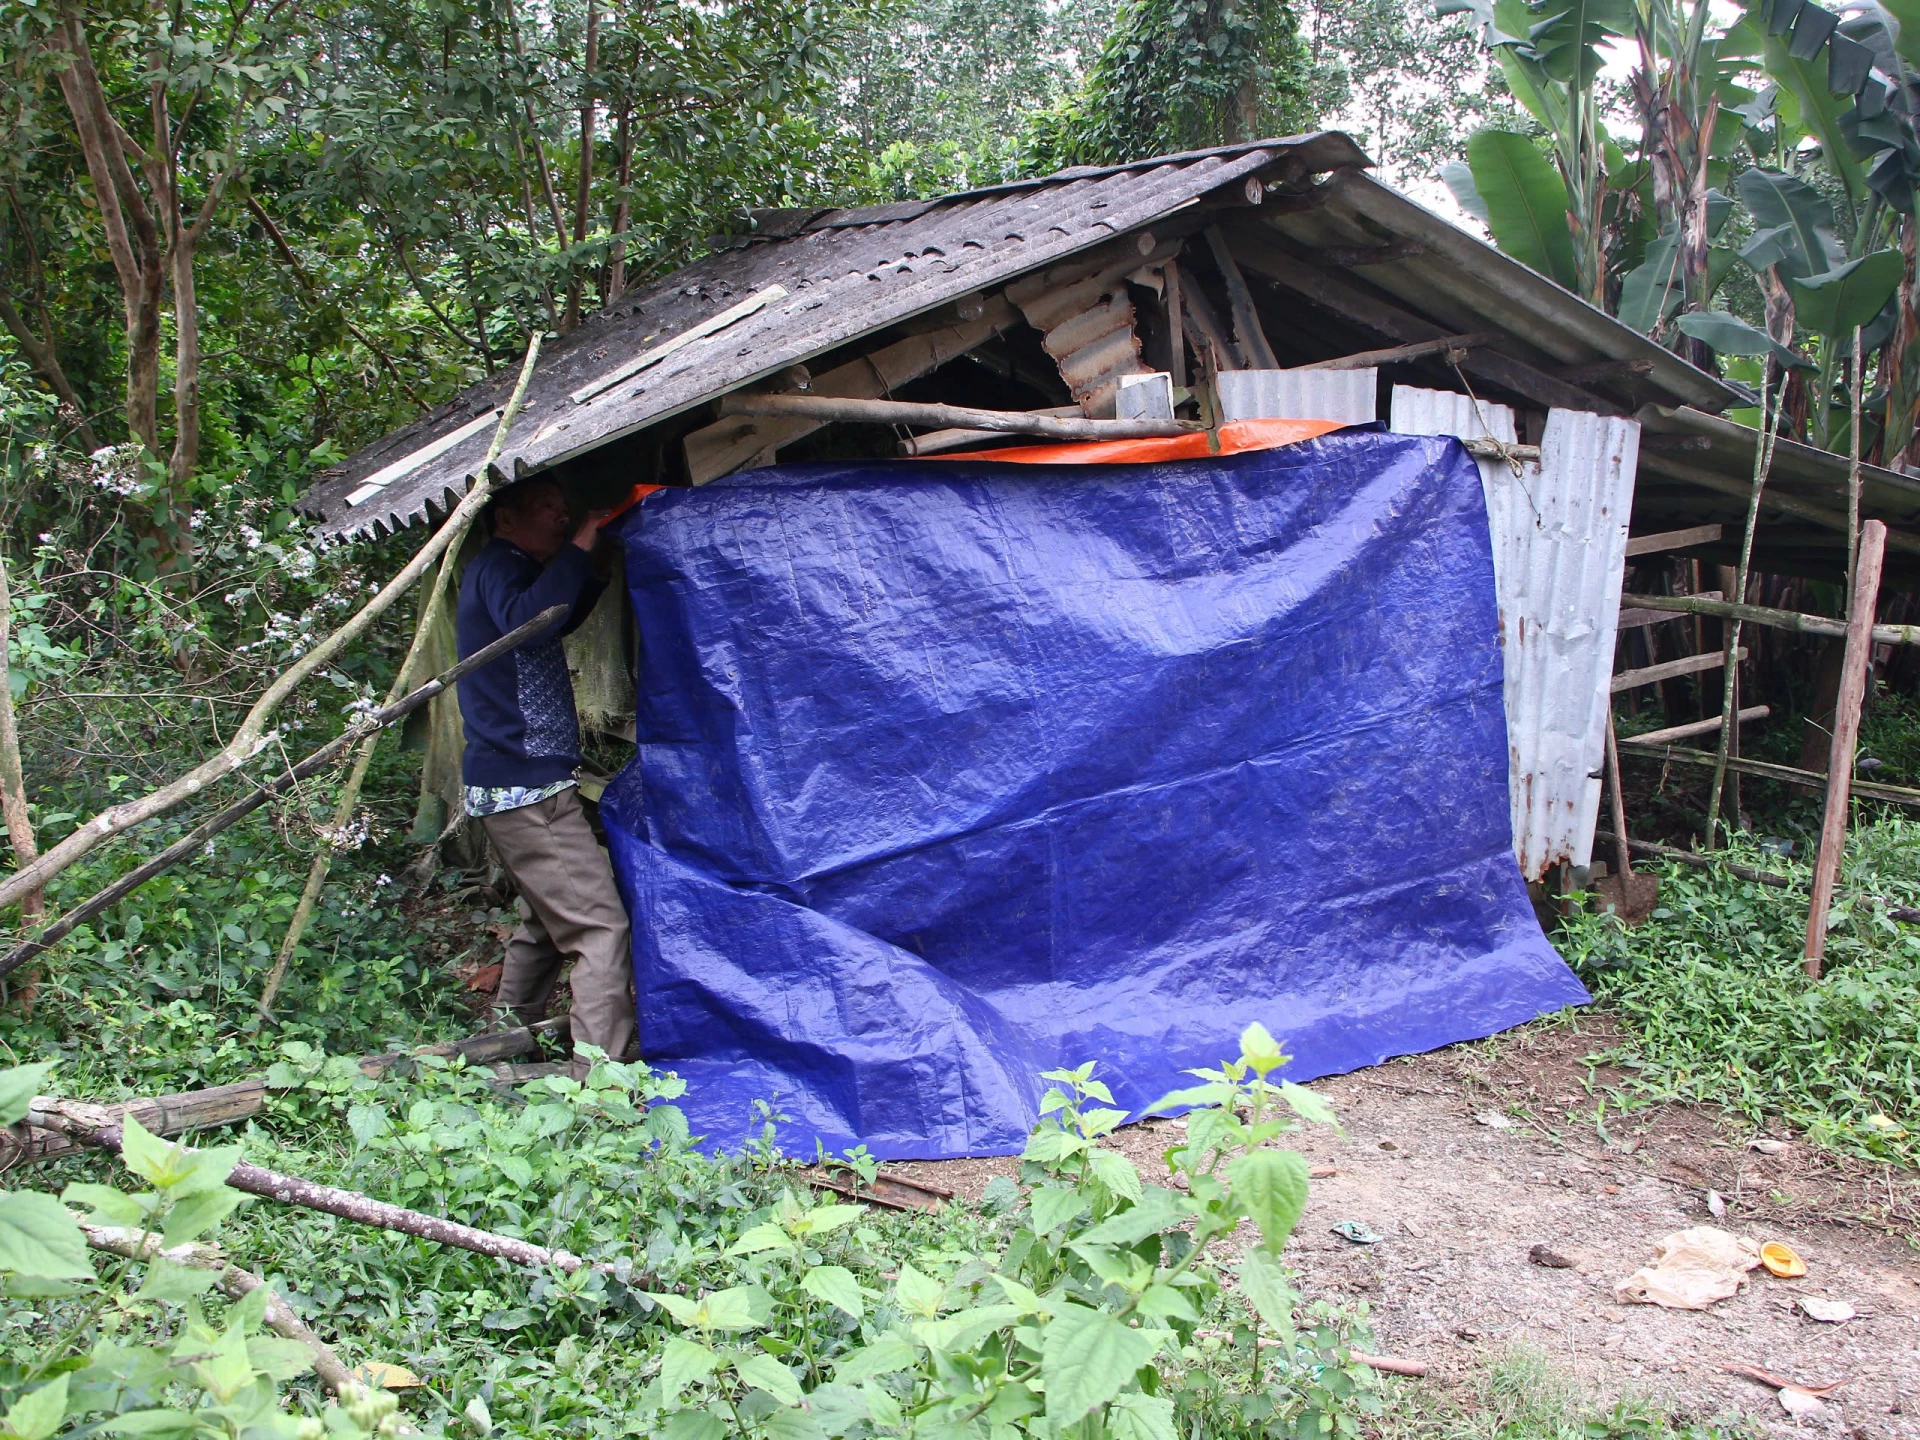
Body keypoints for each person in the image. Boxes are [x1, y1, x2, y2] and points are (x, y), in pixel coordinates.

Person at [455, 476, 637, 1073]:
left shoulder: (506, 569)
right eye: (549, 510)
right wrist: (582, 548)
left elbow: (552, 617)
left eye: (567, 511)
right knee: (599, 929)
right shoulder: (499, 569)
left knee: (543, 922)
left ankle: (505, 1043)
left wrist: (594, 564)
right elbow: (529, 619)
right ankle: (600, 1081)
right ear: (505, 519)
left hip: (514, 785)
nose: (562, 518)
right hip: (527, 789)